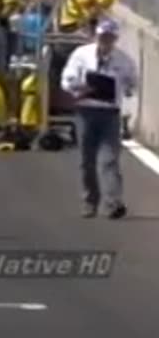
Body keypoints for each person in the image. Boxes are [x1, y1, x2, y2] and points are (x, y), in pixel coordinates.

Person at [60, 19, 137, 219]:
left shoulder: (124, 60)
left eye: (110, 38)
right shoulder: (81, 54)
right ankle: (89, 202)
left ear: (115, 39)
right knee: (87, 160)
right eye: (103, 36)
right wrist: (79, 86)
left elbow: (131, 85)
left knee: (109, 160)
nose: (106, 41)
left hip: (110, 113)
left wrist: (126, 88)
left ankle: (113, 203)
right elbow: (67, 79)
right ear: (97, 36)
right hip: (86, 110)